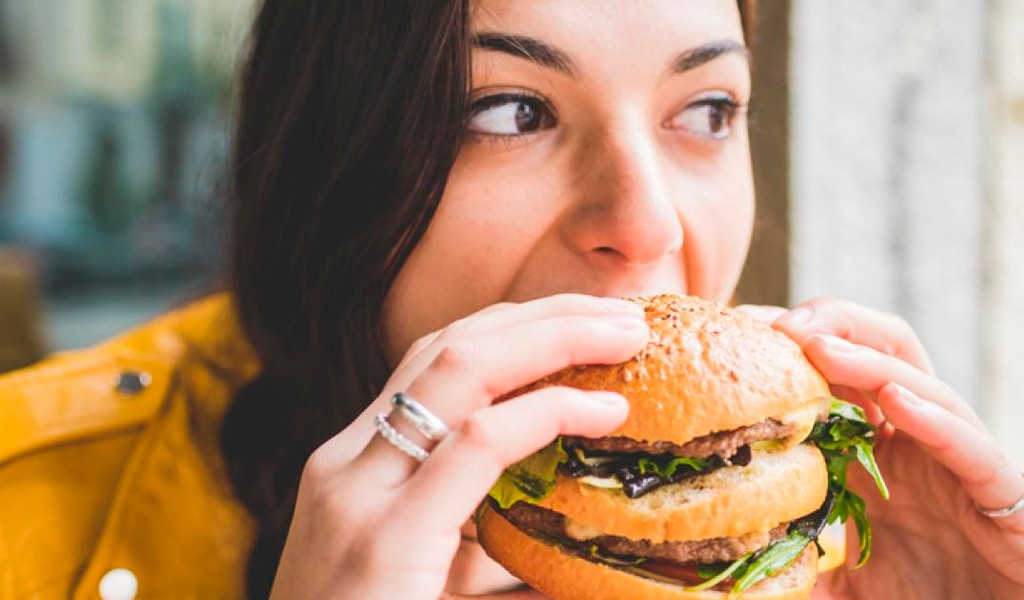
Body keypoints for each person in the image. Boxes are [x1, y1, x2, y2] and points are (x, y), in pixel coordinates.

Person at [0, 1, 1021, 598]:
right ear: (328, 155)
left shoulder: (840, 546)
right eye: (510, 110)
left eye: (707, 110)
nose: (649, 223)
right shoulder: (25, 509)